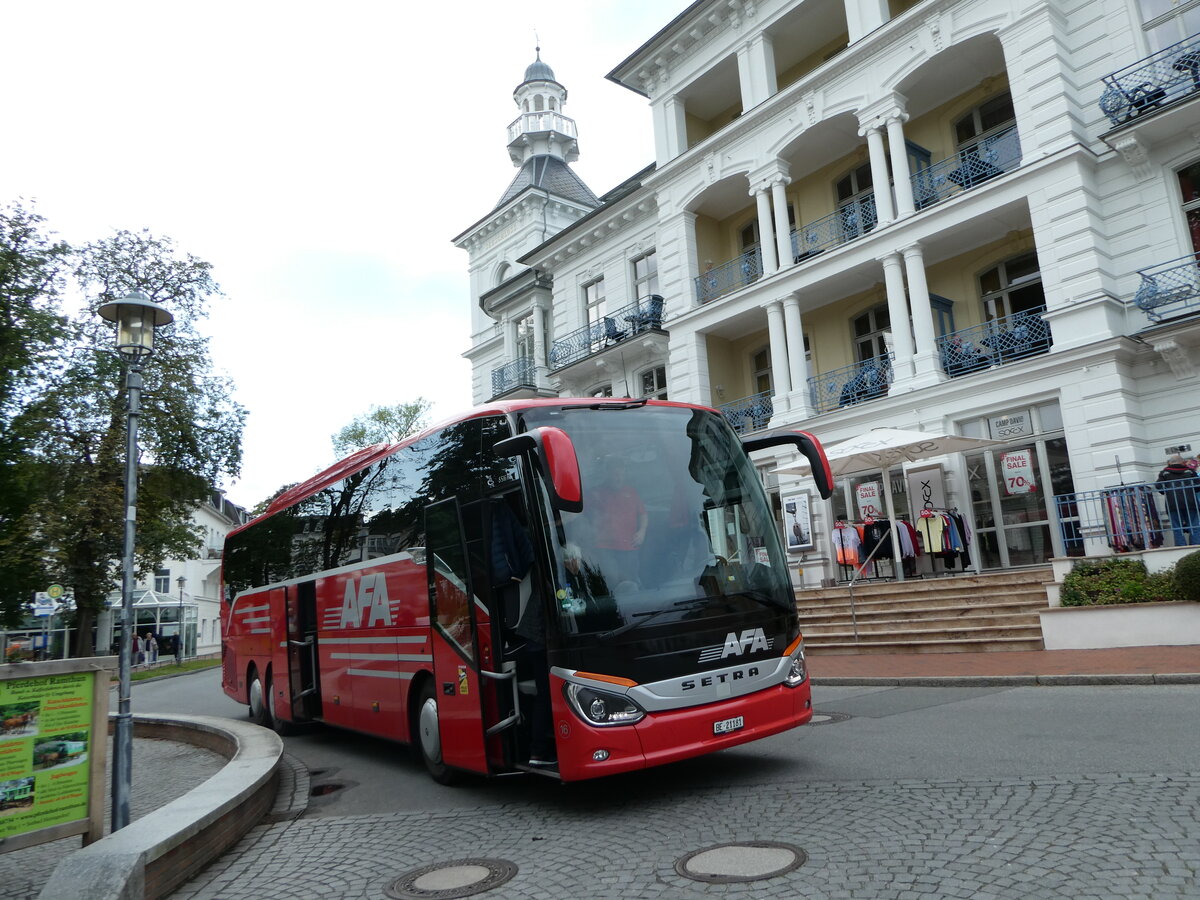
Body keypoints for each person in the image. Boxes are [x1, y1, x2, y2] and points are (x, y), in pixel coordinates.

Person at [591, 460, 647, 586]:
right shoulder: (596, 493)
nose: (618, 477)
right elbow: (579, 513)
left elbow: (643, 514)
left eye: (621, 474)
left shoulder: (631, 492)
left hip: (629, 547)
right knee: (610, 583)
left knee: (631, 582)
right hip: (605, 548)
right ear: (608, 474)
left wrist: (642, 531)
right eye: (615, 474)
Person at [1155, 454, 1200, 546]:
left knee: (1177, 527)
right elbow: (1198, 485)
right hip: (1190, 503)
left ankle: (1181, 546)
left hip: (1173, 504)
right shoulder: (1189, 471)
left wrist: (1166, 491)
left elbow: (1158, 486)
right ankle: (1196, 546)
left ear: (1170, 463)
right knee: (1194, 525)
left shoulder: (1165, 473)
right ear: (1182, 462)